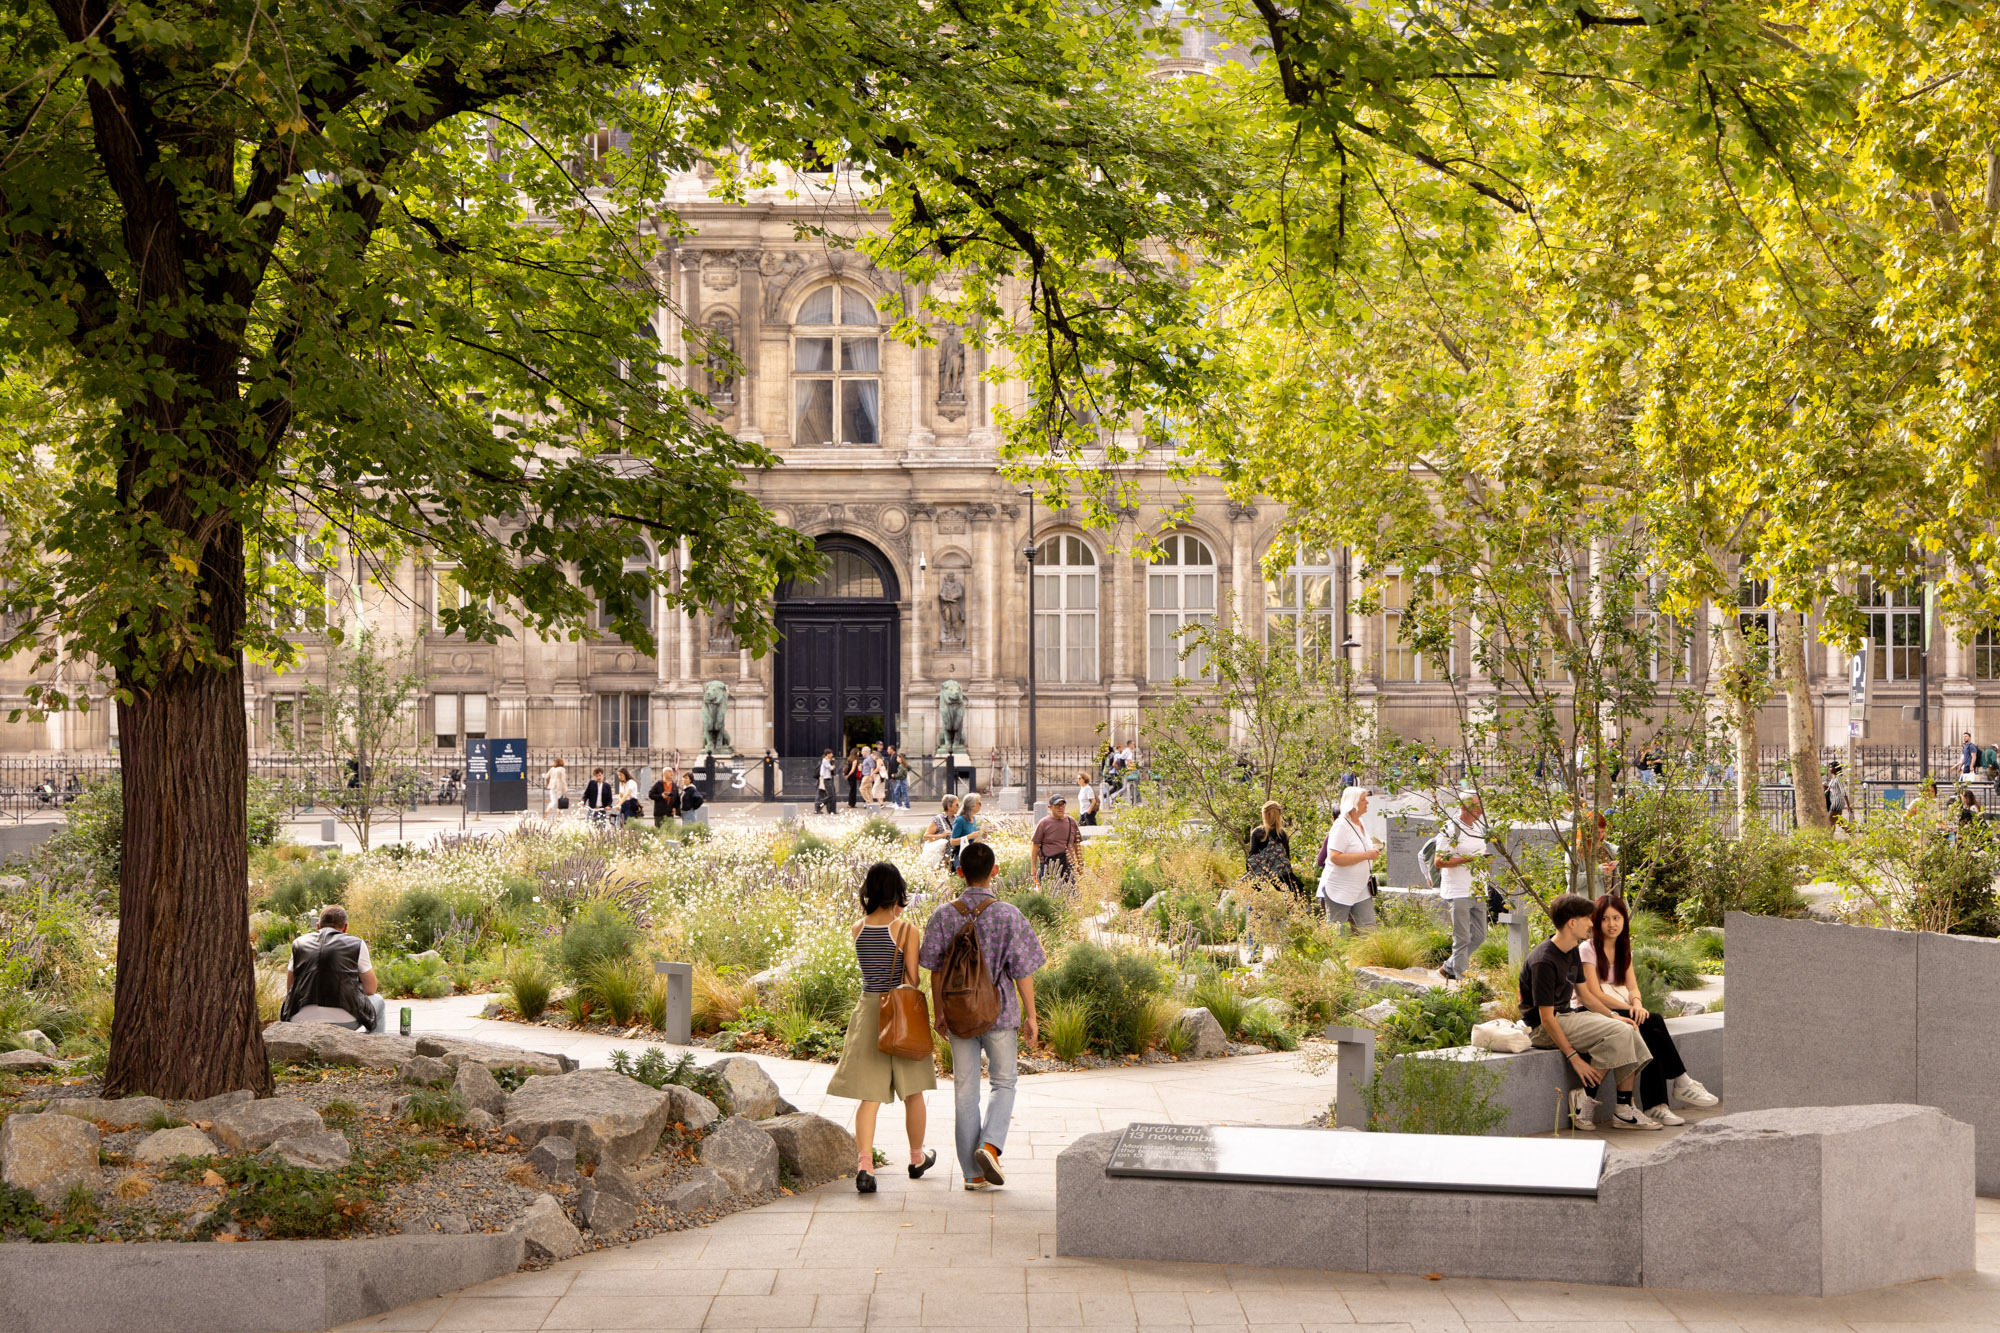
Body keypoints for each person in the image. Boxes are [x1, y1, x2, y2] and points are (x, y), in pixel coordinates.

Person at [919, 841, 1045, 1191]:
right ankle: (989, 1146)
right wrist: (1032, 1015)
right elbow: (1023, 971)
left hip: (958, 1015)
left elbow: (934, 970)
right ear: (995, 871)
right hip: (1000, 1013)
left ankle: (972, 1175)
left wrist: (939, 1013)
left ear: (959, 873)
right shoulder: (1008, 914)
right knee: (1004, 1083)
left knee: (964, 1092)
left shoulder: (943, 914)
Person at [826, 862, 938, 1194]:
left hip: (868, 1011)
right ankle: (916, 1159)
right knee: (913, 1092)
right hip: (900, 1013)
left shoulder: (857, 928)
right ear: (898, 892)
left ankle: (865, 1167)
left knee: (869, 1097)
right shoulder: (906, 930)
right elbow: (913, 979)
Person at [1577, 894, 1721, 1126]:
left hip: (1618, 1008)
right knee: (1651, 1022)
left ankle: (1658, 1104)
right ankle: (1674, 1089)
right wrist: (1629, 1007)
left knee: (1649, 1028)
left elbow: (1632, 986)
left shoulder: (1624, 949)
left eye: (1617, 917)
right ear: (1595, 921)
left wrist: (1636, 1004)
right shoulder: (1588, 948)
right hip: (1591, 1010)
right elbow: (1594, 994)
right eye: (1605, 919)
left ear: (1624, 919)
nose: (1612, 924)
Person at [1519, 893, 1656, 1131]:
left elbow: (1585, 997)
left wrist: (1614, 1016)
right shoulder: (1544, 961)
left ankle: (1623, 1109)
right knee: (1620, 1033)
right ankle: (1583, 1098)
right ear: (1572, 922)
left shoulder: (1571, 950)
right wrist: (1574, 1059)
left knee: (1628, 1029)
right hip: (1544, 1029)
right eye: (1586, 918)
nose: (1592, 923)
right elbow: (1545, 1018)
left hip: (1568, 1016)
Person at [281, 907, 386, 1033]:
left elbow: (290, 988)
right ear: (345, 927)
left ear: (318, 926)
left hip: (299, 1020)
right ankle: (373, 1048)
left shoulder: (298, 943)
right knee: (378, 1001)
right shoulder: (357, 944)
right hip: (346, 1021)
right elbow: (371, 989)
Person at [1435, 790, 1488, 980]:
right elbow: (1439, 861)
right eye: (1477, 806)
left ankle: (1449, 966)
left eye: (1481, 806)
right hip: (1458, 890)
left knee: (1480, 935)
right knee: (1462, 938)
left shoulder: (1478, 828)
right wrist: (1467, 859)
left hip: (1478, 888)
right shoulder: (1450, 828)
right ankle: (1461, 979)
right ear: (1464, 807)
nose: (1481, 810)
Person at [1316, 786, 1380, 934]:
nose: (1367, 803)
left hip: (1361, 888)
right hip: (1340, 889)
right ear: (1353, 803)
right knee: (1337, 932)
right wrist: (1366, 856)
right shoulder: (1340, 825)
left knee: (1370, 929)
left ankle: (1369, 957)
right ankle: (1335, 958)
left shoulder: (1360, 822)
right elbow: (1334, 857)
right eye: (1363, 800)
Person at [1246, 801, 1303, 896]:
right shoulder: (1282, 834)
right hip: (1283, 879)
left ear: (1262, 814)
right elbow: (1286, 858)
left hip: (1262, 880)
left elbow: (1252, 858)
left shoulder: (1257, 833)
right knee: (1298, 890)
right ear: (1279, 814)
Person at [1030, 795, 1083, 891]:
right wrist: (1033, 866)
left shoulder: (1071, 822)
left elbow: (1076, 843)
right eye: (1057, 805)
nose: (1060, 808)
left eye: (1062, 805)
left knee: (1072, 894)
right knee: (1049, 894)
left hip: (1068, 865)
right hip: (1048, 864)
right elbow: (1035, 845)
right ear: (1050, 807)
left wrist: (1080, 863)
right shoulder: (1044, 823)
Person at [922, 795, 960, 865]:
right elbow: (925, 836)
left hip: (956, 855)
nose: (958, 806)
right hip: (943, 858)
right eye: (957, 804)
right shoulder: (938, 819)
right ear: (949, 806)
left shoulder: (957, 818)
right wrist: (941, 835)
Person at [950, 792, 984, 870]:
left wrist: (981, 835)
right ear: (972, 806)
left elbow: (973, 839)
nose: (981, 805)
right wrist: (969, 837)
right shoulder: (960, 820)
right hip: (962, 856)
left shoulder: (973, 818)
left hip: (973, 854)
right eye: (979, 803)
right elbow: (952, 841)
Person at [1826, 761, 1850, 829]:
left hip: (1837, 801)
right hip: (1834, 800)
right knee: (1839, 821)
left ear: (1835, 768)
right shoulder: (1834, 778)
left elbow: (1843, 791)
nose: (1830, 769)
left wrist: (1848, 805)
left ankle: (1830, 837)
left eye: (1831, 767)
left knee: (1830, 821)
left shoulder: (1839, 778)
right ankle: (1852, 835)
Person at [816, 749, 838, 815]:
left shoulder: (827, 760)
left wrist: (832, 761)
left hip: (829, 779)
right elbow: (831, 768)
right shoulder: (824, 761)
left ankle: (832, 810)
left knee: (832, 795)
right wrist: (833, 765)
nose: (832, 755)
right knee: (830, 795)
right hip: (826, 779)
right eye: (831, 754)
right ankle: (819, 805)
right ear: (827, 754)